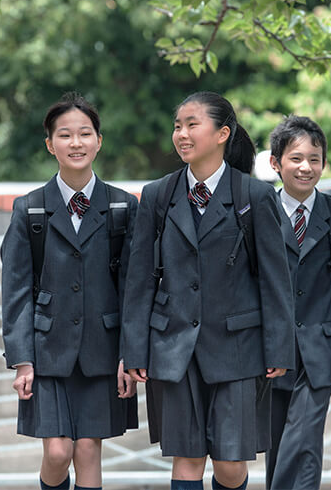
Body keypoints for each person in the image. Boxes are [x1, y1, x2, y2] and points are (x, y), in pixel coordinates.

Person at [121, 92, 294, 490]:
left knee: (231, 465)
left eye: (191, 124)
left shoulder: (254, 196)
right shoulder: (157, 196)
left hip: (238, 349)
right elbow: (140, 279)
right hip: (173, 348)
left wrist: (279, 348)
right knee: (187, 458)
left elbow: (274, 279)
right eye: (177, 126)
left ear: (222, 133)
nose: (181, 134)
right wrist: (135, 350)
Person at [0, 92, 139, 490]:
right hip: (47, 353)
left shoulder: (122, 207)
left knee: (88, 451)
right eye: (65, 135)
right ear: (50, 144)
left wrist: (129, 355)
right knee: (58, 453)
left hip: (103, 352)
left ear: (99, 140)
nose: (75, 143)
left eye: (84, 133)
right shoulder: (29, 209)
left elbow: (133, 288)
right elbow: (15, 291)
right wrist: (22, 360)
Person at [265, 116, 331, 490]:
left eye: (314, 158)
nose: (306, 167)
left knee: (304, 440)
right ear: (275, 163)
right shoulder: (255, 214)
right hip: (268, 351)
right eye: (296, 158)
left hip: (320, 351)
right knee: (279, 443)